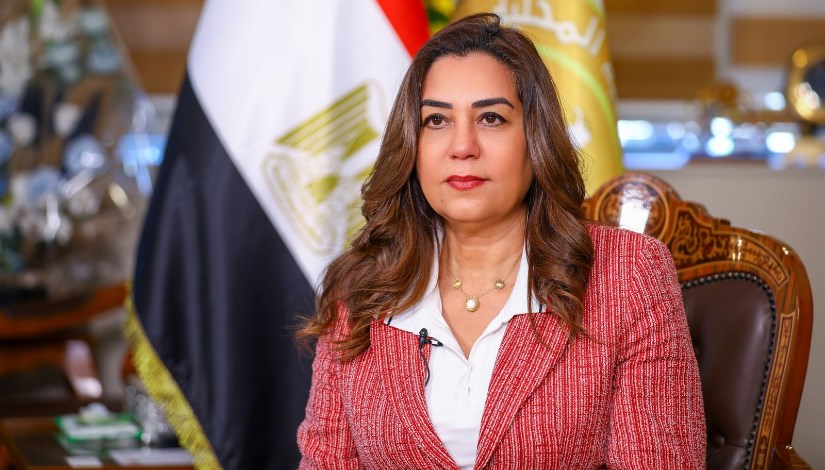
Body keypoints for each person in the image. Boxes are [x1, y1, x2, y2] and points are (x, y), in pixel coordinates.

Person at [297, 13, 705, 469]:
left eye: (491, 118)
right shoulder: (360, 286)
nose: (462, 146)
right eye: (436, 120)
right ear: (411, 145)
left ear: (535, 139)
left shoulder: (627, 273)